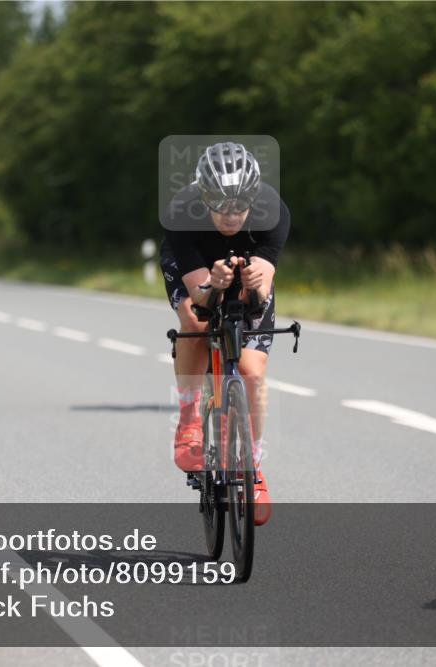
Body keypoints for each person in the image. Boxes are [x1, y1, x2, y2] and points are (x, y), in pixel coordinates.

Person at [160, 142, 290, 526]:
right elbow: (200, 297)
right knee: (197, 323)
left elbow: (262, 291)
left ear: (254, 197)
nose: (230, 215)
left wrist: (254, 282)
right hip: (197, 263)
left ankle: (254, 465)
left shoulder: (274, 211)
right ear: (204, 197)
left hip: (249, 267)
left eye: (239, 205)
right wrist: (213, 284)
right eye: (219, 204)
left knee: (251, 371)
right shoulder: (180, 212)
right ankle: (189, 420)